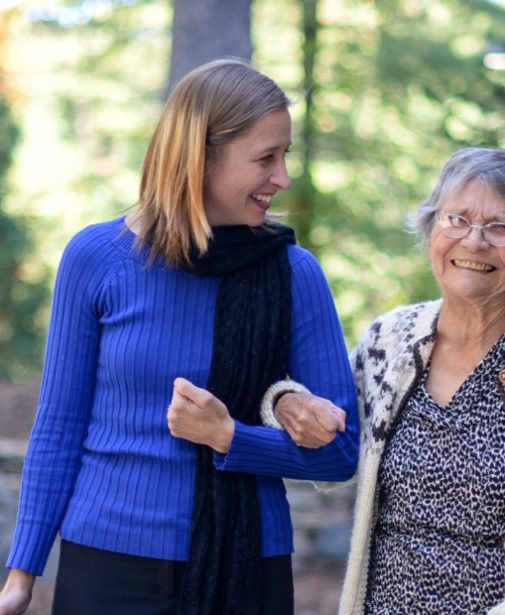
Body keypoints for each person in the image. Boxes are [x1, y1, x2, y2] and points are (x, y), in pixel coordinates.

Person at [0, 58, 359, 615]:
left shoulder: (292, 273)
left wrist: (230, 438)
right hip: (106, 563)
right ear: (201, 156)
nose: (283, 178)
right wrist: (21, 573)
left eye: (284, 155)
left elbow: (340, 453)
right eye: (266, 158)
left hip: (247, 565)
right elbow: (59, 427)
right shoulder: (97, 258)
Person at [262, 147, 505, 615]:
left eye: (500, 226)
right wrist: (285, 402)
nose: (474, 241)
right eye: (457, 219)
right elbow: (331, 443)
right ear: (432, 228)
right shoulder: (390, 339)